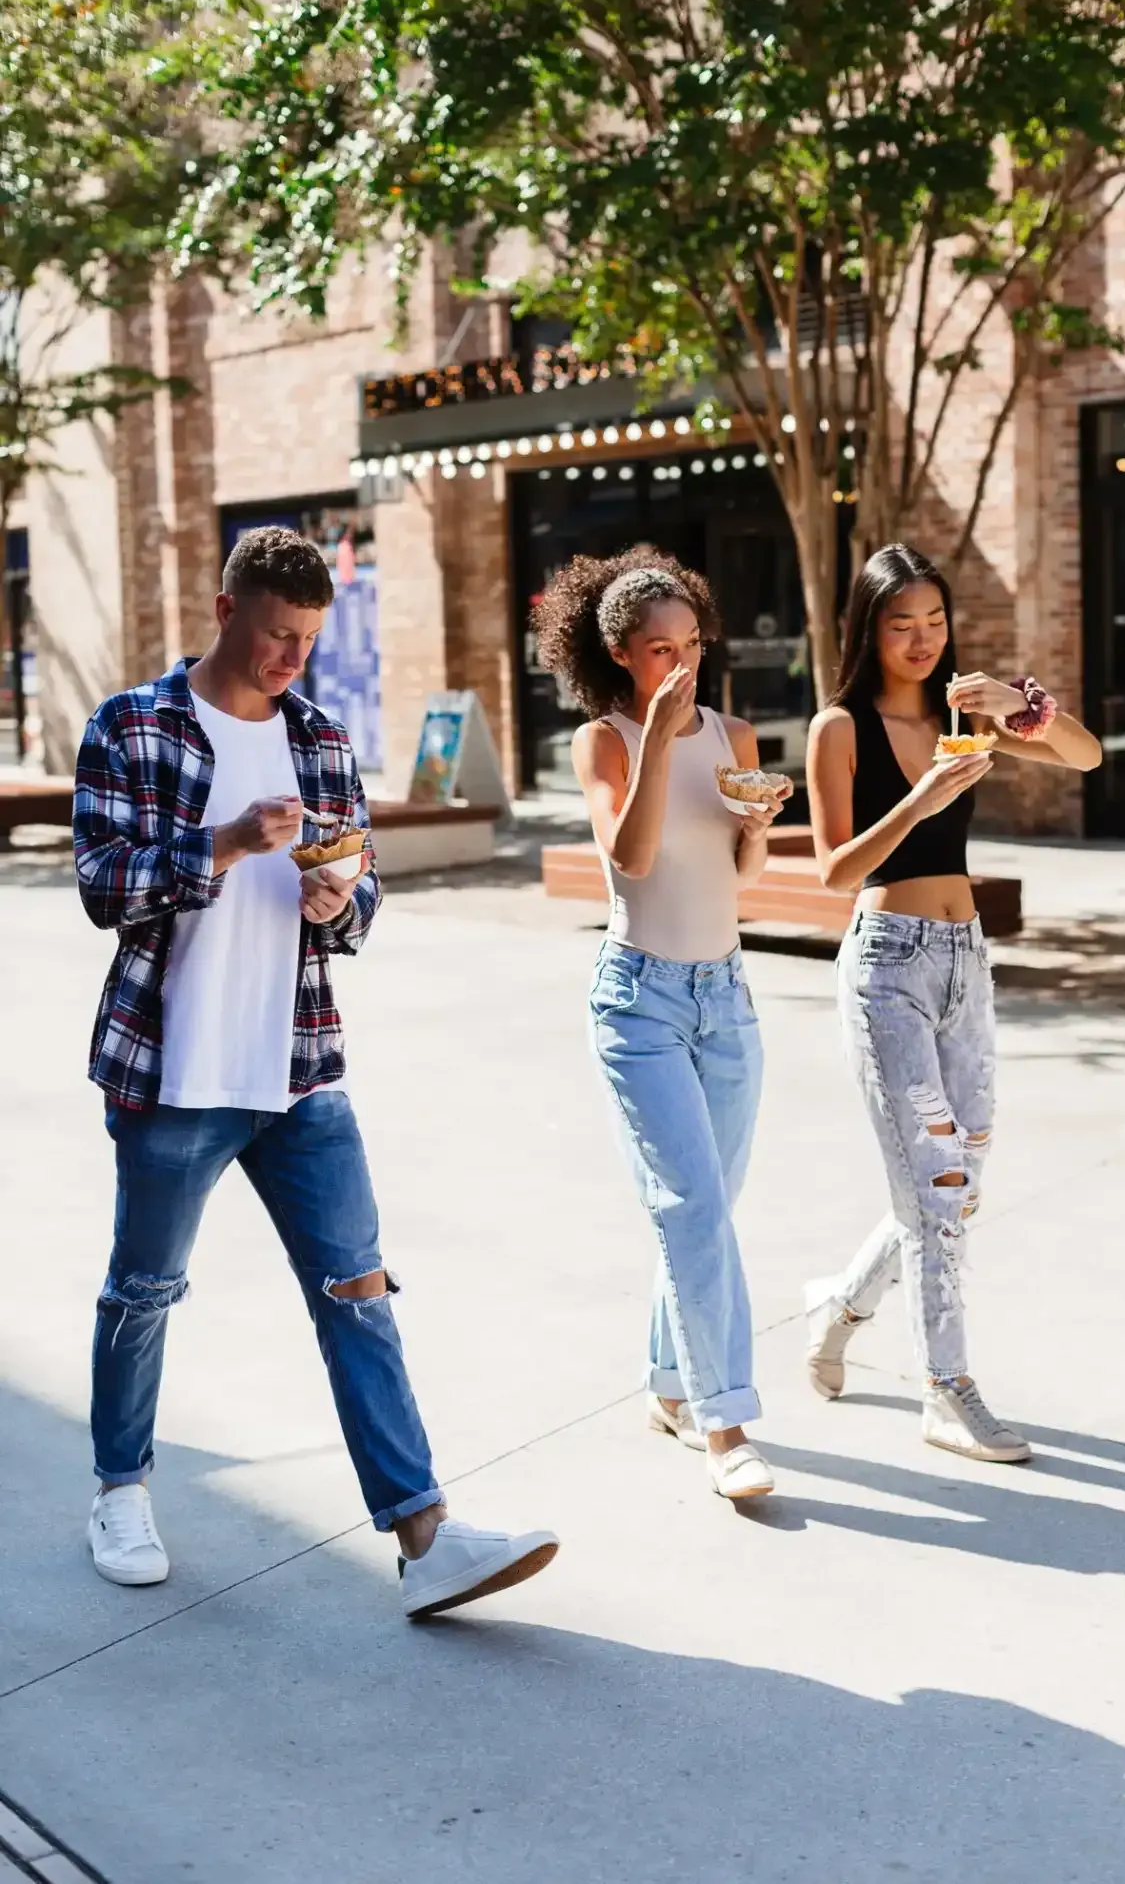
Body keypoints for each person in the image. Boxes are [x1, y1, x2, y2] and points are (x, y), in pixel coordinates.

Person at [73, 525, 558, 1617]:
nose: (291, 659)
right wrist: (230, 842)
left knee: (359, 1292)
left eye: (306, 641)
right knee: (144, 1293)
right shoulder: (134, 725)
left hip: (296, 1073)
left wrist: (343, 902)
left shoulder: (323, 739)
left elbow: (360, 898)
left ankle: (424, 1535)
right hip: (173, 1073)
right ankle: (121, 1488)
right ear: (226, 608)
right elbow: (104, 886)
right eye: (275, 636)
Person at [802, 543, 1102, 1461]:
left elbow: (1083, 757)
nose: (922, 640)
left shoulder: (963, 711)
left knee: (955, 1192)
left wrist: (1025, 706)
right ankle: (946, 1388)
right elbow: (833, 870)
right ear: (870, 629)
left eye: (935, 622)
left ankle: (842, 1306)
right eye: (902, 625)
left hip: (965, 963)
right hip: (887, 966)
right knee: (935, 1183)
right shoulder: (838, 727)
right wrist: (924, 799)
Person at [535, 547, 788, 1502]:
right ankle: (727, 1426)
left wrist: (757, 826)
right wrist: (656, 740)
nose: (680, 667)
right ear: (619, 653)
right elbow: (634, 858)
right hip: (639, 1000)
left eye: (691, 645)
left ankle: (670, 1386)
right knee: (692, 1210)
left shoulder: (738, 735)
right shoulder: (602, 742)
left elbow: (741, 875)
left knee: (705, 1209)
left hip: (726, 996)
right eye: (657, 651)